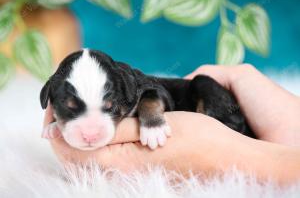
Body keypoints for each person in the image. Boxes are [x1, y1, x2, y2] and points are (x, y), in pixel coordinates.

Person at [43, 64, 300, 185]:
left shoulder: (137, 88)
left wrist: (232, 153)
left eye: (109, 107)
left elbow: (154, 97)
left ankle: (232, 130)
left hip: (206, 106)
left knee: (204, 85)